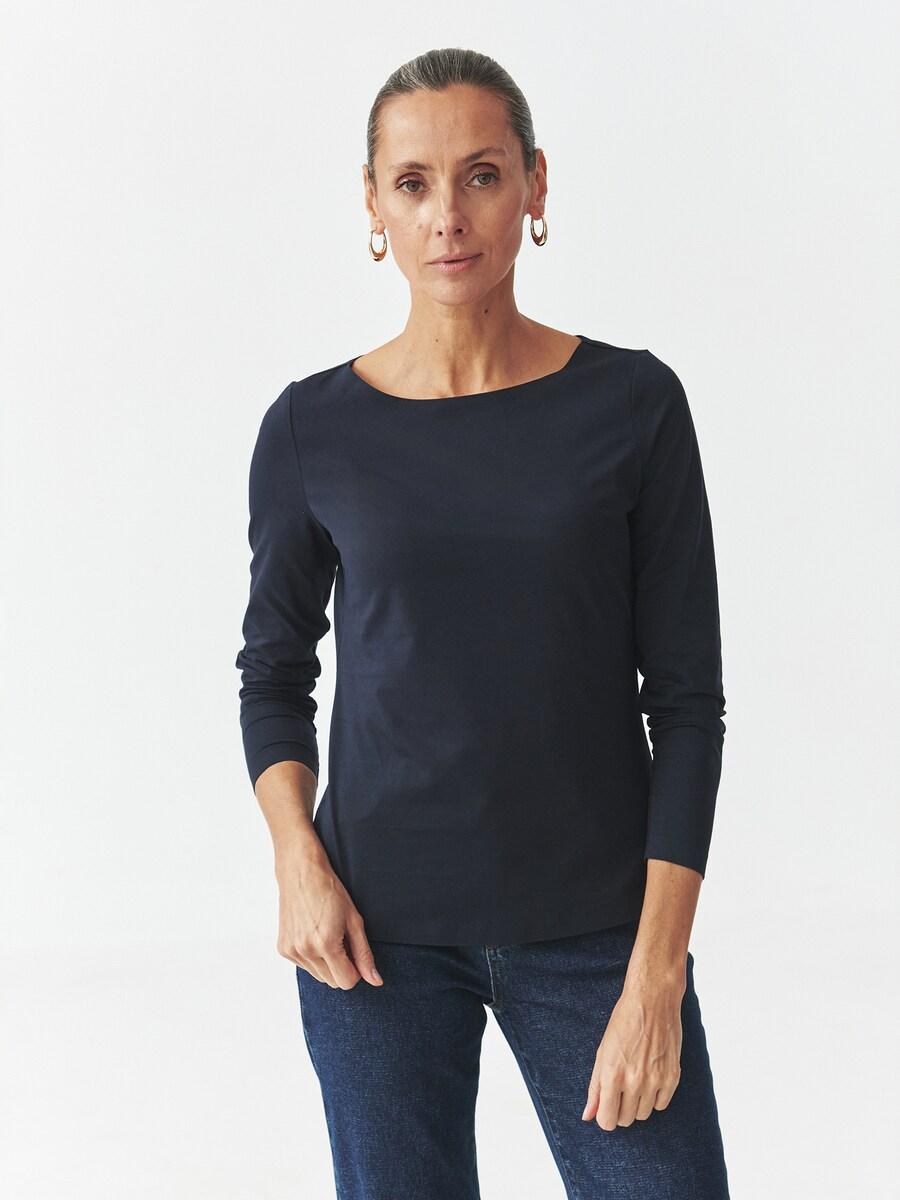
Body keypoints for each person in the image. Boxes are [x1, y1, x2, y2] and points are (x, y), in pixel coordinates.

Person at [235, 46, 730, 1200]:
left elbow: (688, 705)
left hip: (597, 934)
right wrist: (297, 858)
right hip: (374, 943)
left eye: (482, 175)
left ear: (534, 187)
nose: (447, 216)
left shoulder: (632, 406)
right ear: (373, 206)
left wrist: (657, 971)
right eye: (412, 183)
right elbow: (273, 673)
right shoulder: (312, 429)